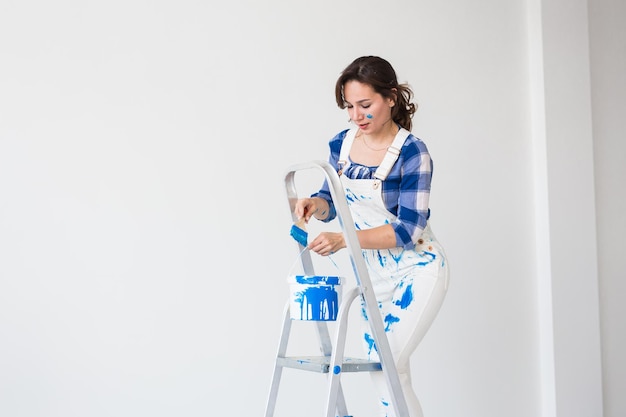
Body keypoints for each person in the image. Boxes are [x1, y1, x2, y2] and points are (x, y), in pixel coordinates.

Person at [294, 56, 450, 417]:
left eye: (365, 105)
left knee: (387, 363)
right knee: (387, 373)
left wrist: (345, 239)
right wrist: (314, 205)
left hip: (418, 269)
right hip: (372, 275)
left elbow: (408, 230)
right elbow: (331, 201)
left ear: (391, 98)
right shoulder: (341, 145)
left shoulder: (413, 152)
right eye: (349, 107)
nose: (356, 116)